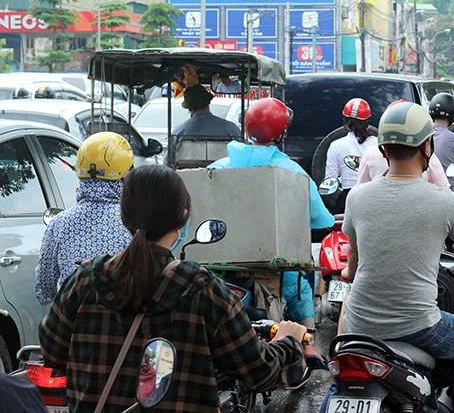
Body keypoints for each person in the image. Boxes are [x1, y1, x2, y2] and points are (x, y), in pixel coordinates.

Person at [39, 165, 307, 412]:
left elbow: (52, 351)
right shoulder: (201, 288)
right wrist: (288, 341)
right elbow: (258, 372)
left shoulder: (85, 281)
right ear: (183, 216)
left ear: (125, 216)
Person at [339, 102, 454, 413]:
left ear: (383, 150)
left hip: (360, 322)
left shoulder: (357, 197)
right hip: (419, 324)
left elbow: (353, 260)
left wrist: (347, 274)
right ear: (427, 146)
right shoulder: (445, 201)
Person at [209, 97, 334, 327]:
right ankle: (309, 346)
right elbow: (319, 218)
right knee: (302, 295)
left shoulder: (218, 167)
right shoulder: (293, 171)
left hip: (220, 265)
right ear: (281, 133)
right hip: (272, 265)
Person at [35, 132, 134, 306]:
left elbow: (45, 285)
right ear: (125, 175)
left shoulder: (59, 223)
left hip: (70, 325)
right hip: (123, 325)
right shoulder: (135, 221)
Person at [324, 98, 378, 205]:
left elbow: (330, 181)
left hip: (348, 198)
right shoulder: (379, 144)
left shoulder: (336, 145)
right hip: (374, 197)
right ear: (368, 121)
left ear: (345, 120)